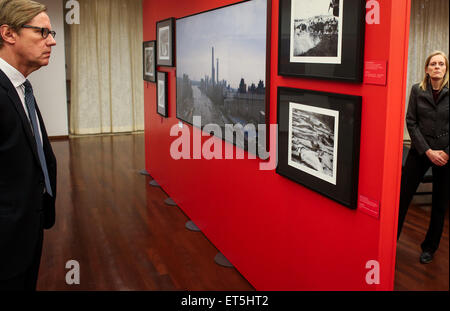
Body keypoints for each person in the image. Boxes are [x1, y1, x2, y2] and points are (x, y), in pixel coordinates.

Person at [0, 0, 57, 290]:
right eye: (43, 32)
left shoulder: (21, 86)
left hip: (29, 230)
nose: (53, 41)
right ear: (9, 34)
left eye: (52, 33)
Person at [397, 51, 449, 264]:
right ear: (427, 68)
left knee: (439, 204)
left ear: (445, 69)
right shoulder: (417, 90)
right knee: (402, 198)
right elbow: (411, 122)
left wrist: (446, 152)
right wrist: (427, 151)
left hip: (446, 156)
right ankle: (391, 241)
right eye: (433, 64)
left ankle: (429, 248)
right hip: (419, 152)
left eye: (441, 64)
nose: (437, 67)